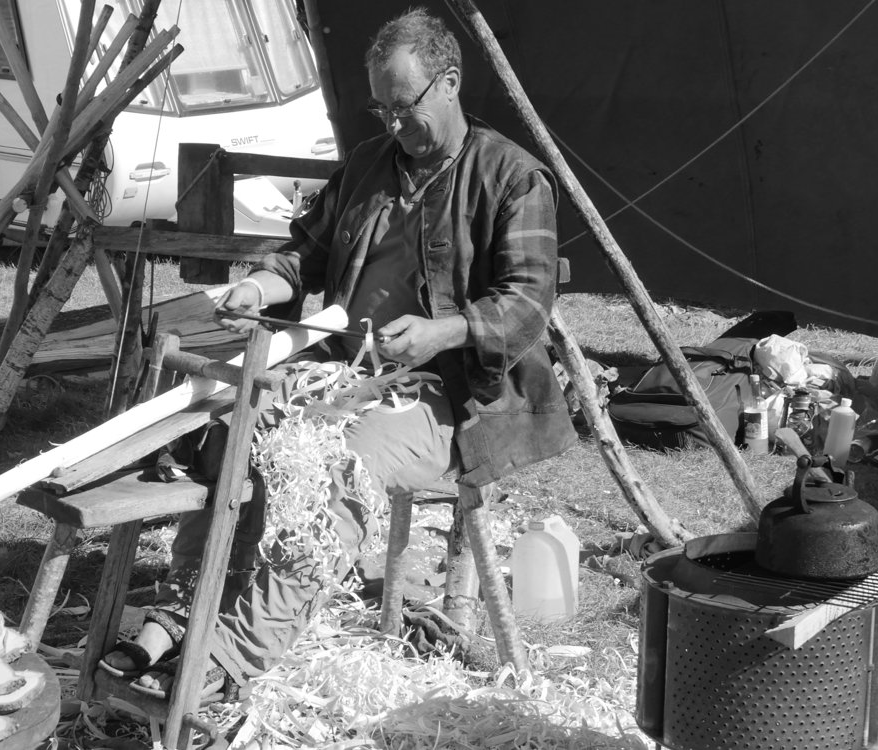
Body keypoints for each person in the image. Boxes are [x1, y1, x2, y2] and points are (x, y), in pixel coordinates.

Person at [101, 7, 576, 701]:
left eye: (404, 106)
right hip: (341, 371)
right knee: (229, 434)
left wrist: (444, 331)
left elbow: (528, 302)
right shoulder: (367, 167)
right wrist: (259, 284)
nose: (393, 123)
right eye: (381, 108)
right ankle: (180, 613)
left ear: (449, 83)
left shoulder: (512, 178)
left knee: (332, 473)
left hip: (449, 394)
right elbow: (304, 254)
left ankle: (229, 658)